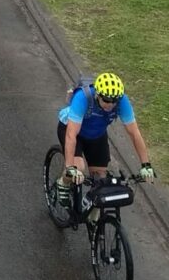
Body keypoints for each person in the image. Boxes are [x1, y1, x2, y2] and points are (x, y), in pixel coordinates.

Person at [57, 73, 157, 203]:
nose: (110, 104)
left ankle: (92, 213)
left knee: (101, 181)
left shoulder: (122, 101)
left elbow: (134, 133)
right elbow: (71, 135)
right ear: (98, 95)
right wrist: (70, 167)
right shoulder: (82, 97)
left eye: (114, 101)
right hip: (71, 130)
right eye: (106, 100)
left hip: (96, 134)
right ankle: (63, 183)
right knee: (78, 168)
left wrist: (146, 165)